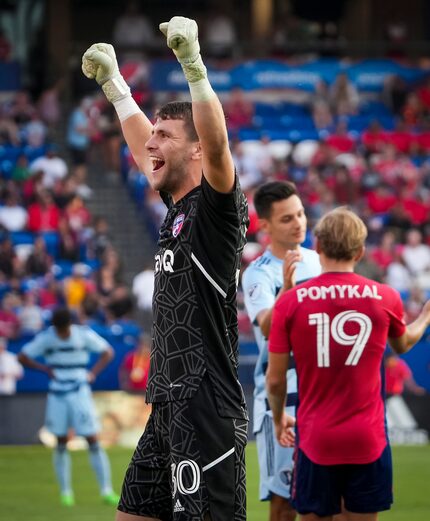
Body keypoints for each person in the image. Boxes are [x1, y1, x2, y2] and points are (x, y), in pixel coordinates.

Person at [82, 15, 249, 521]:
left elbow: (218, 145)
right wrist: (116, 88)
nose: (150, 145)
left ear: (196, 148)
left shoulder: (217, 211)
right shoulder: (175, 208)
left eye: (165, 136)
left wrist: (193, 67)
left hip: (206, 406)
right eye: (151, 135)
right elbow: (141, 149)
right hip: (167, 403)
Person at [266, 207, 430, 521]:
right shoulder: (385, 296)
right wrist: (424, 317)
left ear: (319, 247)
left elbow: (275, 382)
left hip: (316, 438)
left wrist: (278, 419)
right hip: (368, 439)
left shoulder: (290, 301)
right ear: (361, 250)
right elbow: (404, 343)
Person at [242, 181, 320, 521]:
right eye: (287, 218)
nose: (299, 223)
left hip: (323, 396)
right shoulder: (259, 274)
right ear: (266, 225)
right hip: (282, 399)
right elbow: (268, 328)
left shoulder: (321, 262)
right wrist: (287, 290)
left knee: (324, 502)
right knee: (285, 502)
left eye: (301, 214)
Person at [18, 307, 119, 507]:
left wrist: (93, 373)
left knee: (92, 438)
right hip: (57, 392)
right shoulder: (47, 338)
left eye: (64, 329)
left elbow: (108, 352)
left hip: (80, 389)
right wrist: (44, 369)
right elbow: (22, 356)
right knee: (61, 440)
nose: (62, 333)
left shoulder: (83, 335)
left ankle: (106, 490)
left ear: (70, 325)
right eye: (59, 329)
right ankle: (66, 492)